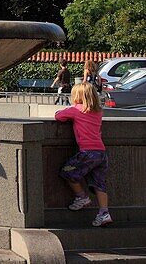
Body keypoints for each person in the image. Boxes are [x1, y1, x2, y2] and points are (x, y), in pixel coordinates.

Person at [55, 82, 112, 227]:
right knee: (100, 184)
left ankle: (82, 197)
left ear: (77, 96)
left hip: (87, 152)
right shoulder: (98, 112)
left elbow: (58, 116)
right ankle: (104, 213)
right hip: (101, 153)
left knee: (67, 172)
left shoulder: (76, 110)